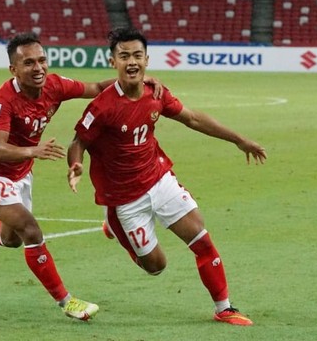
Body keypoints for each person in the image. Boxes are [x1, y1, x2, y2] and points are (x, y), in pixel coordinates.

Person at [0, 32, 162, 321]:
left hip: (20, 173)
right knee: (30, 230)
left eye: (42, 60)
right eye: (28, 63)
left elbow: (95, 86)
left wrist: (140, 82)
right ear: (13, 70)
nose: (38, 68)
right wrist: (34, 150)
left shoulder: (54, 85)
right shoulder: (2, 101)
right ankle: (67, 302)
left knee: (12, 239)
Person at [66, 27, 267, 326]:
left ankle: (224, 307)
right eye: (124, 56)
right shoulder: (103, 107)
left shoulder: (155, 93)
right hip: (123, 198)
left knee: (200, 236)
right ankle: (114, 224)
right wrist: (76, 165)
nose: (131, 62)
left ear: (147, 59)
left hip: (158, 179)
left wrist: (238, 139)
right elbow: (78, 141)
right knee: (156, 267)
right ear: (113, 62)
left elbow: (193, 118)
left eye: (137, 55)